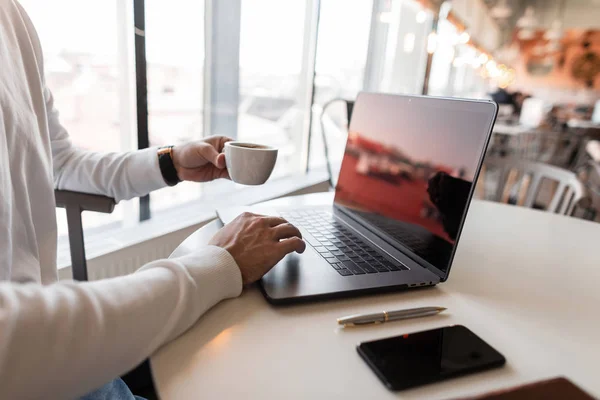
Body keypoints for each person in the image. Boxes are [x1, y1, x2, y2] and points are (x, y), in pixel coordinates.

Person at [0, 2, 306, 399]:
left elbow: (55, 162)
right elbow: (16, 338)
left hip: (60, 346)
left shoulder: (12, 16)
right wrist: (220, 263)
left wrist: (172, 162)